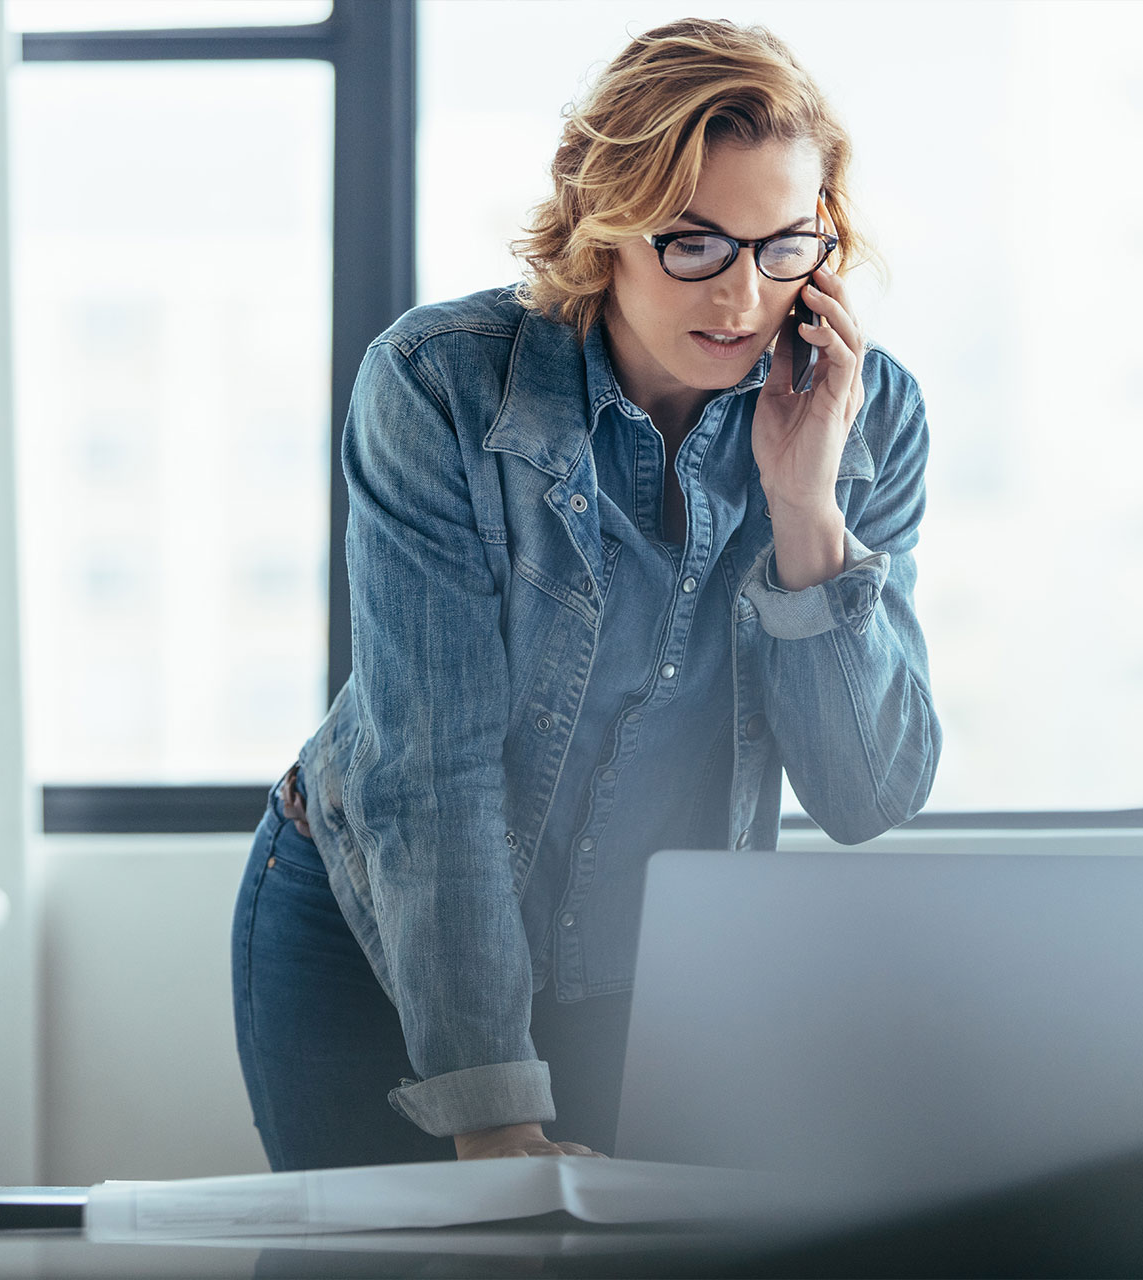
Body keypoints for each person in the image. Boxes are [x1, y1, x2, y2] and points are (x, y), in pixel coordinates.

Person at [231, 17, 940, 1171]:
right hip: (375, 932)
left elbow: (868, 791)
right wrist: (495, 1112)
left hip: (643, 965)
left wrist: (808, 510)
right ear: (602, 220)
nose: (746, 298)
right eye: (696, 244)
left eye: (785, 246)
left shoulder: (871, 415)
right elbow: (432, 766)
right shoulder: (439, 384)